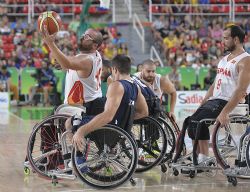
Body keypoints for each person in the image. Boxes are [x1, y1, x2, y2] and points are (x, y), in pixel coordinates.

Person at [186, 24, 250, 163]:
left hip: (228, 101)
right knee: (191, 121)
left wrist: (225, 112)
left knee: (198, 122)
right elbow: (215, 84)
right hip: (216, 100)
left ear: (237, 40)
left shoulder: (246, 60)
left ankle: (203, 157)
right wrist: (204, 101)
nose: (222, 41)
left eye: (226, 38)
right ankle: (199, 156)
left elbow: (240, 90)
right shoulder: (224, 60)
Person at [66, 54, 148, 151]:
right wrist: (125, 120)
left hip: (109, 129)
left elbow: (108, 116)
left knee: (70, 122)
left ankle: (77, 156)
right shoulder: (135, 87)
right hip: (122, 129)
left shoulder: (116, 86)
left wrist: (81, 131)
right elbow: (144, 112)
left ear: (115, 69)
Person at [41, 26, 104, 114]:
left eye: (87, 37)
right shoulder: (94, 55)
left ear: (95, 45)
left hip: (82, 106)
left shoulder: (88, 60)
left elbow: (69, 63)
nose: (82, 37)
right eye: (84, 34)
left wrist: (50, 43)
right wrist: (64, 63)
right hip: (90, 101)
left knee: (48, 123)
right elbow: (73, 62)